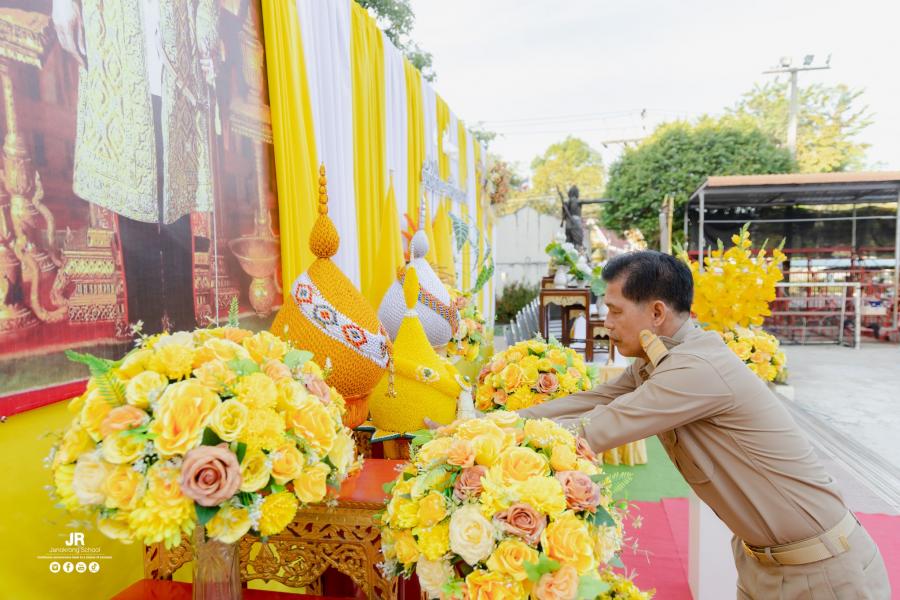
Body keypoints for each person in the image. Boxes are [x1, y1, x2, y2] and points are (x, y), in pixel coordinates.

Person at [514, 251, 890, 599]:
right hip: (761, 563)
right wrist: (499, 424)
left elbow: (596, 425)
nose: (606, 323)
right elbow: (595, 399)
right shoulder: (658, 360)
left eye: (614, 311)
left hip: (822, 572)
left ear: (656, 313)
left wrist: (496, 436)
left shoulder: (695, 368)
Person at [52, 0, 218, 333]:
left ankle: (184, 333)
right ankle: (145, 336)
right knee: (134, 193)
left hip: (176, 40)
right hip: (119, 40)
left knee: (177, 195)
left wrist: (207, 19)